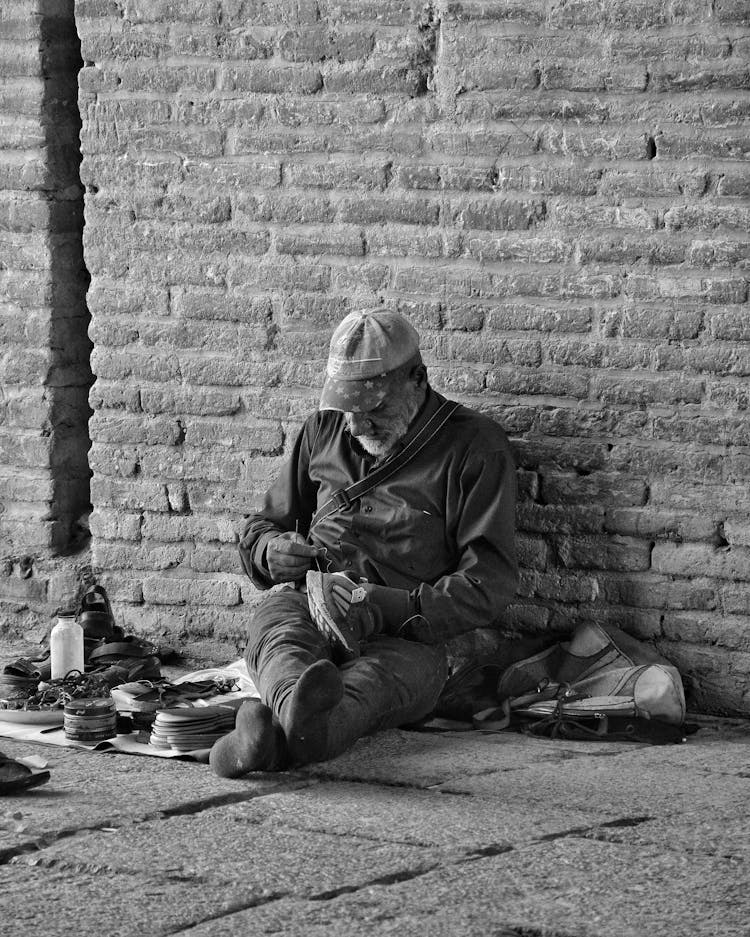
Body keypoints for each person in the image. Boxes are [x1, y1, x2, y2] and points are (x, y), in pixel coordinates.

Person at [210, 309, 518, 777]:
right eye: (348, 410)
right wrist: (272, 551)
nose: (356, 427)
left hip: (404, 636)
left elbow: (486, 585)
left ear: (418, 379)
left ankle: (272, 741)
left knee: (372, 687)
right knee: (282, 642)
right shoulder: (322, 430)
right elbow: (262, 528)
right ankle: (299, 717)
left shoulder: (475, 447)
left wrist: (380, 605)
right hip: (306, 608)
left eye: (374, 409)